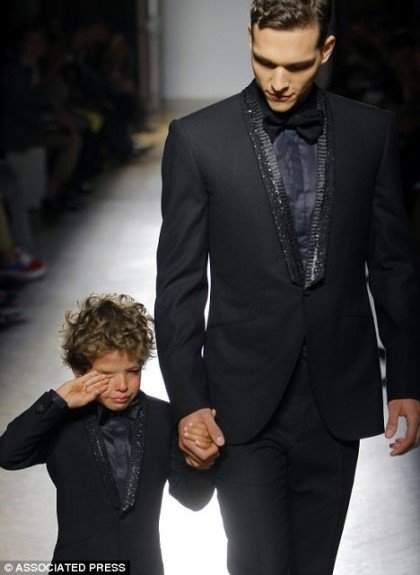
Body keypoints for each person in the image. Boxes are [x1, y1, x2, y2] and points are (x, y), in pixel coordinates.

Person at [155, 1, 420, 573]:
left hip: (338, 392)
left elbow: (393, 265)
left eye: (296, 66)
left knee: (314, 565)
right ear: (250, 39)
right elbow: (179, 284)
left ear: (326, 50)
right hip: (240, 396)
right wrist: (189, 401)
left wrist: (405, 377)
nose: (277, 80)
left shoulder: (370, 133)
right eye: (264, 60)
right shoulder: (198, 139)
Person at [0, 294, 214, 574]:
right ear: (80, 371)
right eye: (107, 375)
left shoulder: (163, 418)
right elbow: (8, 454)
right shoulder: (60, 421)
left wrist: (201, 464)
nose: (122, 385)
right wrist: (57, 401)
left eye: (133, 371)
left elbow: (193, 498)